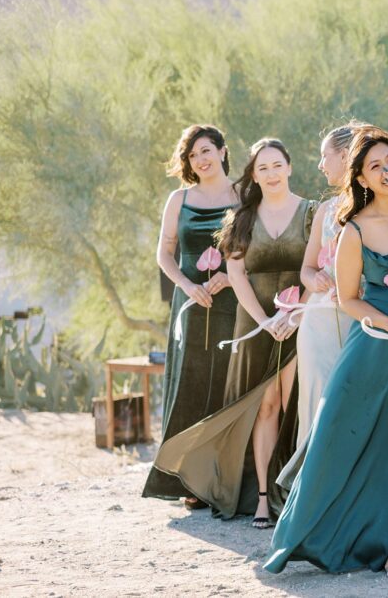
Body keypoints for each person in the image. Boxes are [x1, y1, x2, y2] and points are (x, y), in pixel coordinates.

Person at [264, 125, 388, 577]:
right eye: (376, 166)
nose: (387, 170)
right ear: (361, 178)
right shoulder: (353, 228)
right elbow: (349, 299)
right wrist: (387, 323)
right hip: (384, 339)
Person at [152, 138, 315, 528]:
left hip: (300, 320)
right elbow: (237, 272)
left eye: (277, 165)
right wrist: (263, 321)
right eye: (262, 168)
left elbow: (318, 269)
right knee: (263, 407)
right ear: (253, 175)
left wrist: (297, 314)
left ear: (290, 167)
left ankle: (300, 496)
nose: (271, 174)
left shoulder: (313, 212)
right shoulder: (242, 217)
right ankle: (261, 499)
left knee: (299, 409)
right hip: (255, 321)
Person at [142, 124, 237, 509]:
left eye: (206, 150)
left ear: (222, 151)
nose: (200, 159)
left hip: (233, 302)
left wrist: (231, 278)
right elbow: (164, 253)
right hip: (191, 304)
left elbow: (258, 246)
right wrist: (185, 285)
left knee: (227, 384)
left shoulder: (244, 194)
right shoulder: (178, 199)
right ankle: (187, 481)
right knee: (191, 384)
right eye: (193, 154)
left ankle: (225, 479)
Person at [276, 123, 364, 489]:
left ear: (345, 156)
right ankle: (311, 491)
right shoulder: (326, 210)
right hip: (318, 323)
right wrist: (316, 281)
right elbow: (307, 269)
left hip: (362, 321)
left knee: (355, 403)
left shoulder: (376, 207)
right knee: (315, 402)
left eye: (325, 155)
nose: (320, 164)